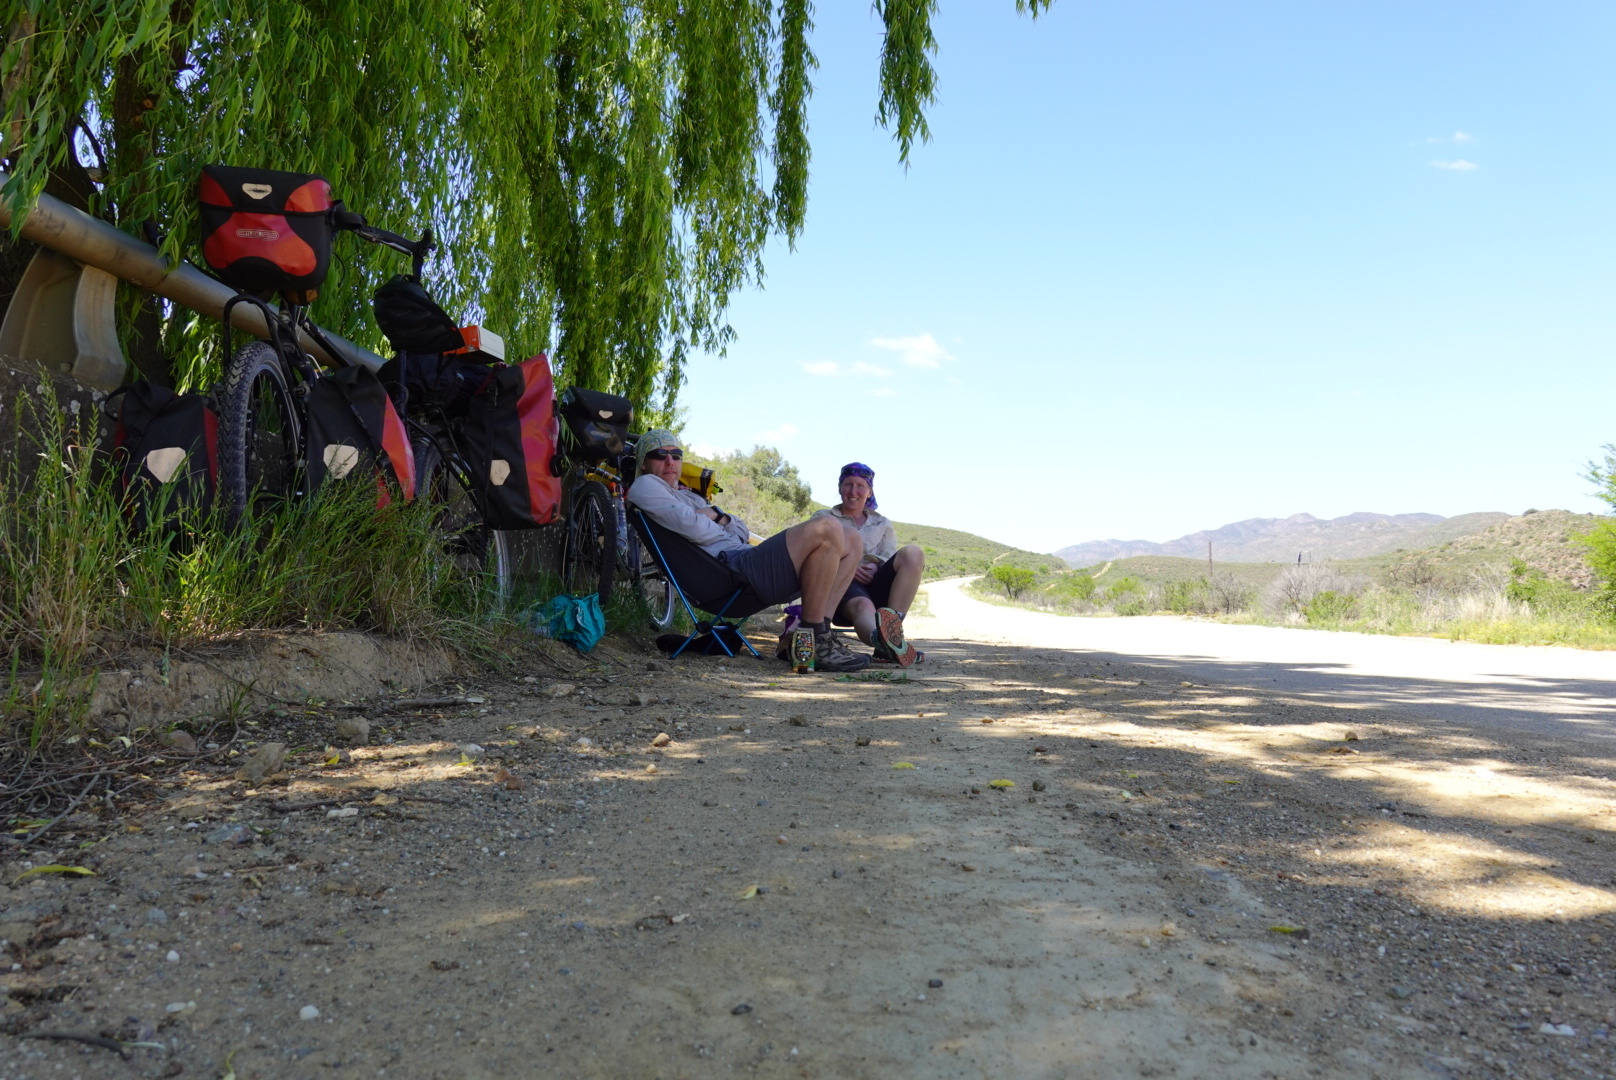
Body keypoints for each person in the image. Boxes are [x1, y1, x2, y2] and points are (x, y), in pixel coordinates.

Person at [627, 430, 870, 672]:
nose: (670, 461)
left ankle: (818, 637)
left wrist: (715, 515)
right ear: (644, 463)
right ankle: (815, 636)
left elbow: (740, 531)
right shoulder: (646, 485)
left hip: (742, 564)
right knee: (827, 527)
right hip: (729, 574)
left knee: (852, 538)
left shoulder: (688, 497)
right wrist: (717, 521)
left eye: (676, 455)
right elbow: (696, 529)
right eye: (660, 455)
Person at [812, 462, 923, 667]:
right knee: (864, 605)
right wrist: (849, 566)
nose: (853, 491)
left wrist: (877, 566)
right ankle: (882, 644)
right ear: (840, 488)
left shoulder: (882, 523)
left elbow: (888, 555)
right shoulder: (823, 518)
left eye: (860, 486)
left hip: (875, 581)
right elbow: (814, 555)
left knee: (913, 554)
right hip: (839, 585)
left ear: (869, 491)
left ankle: (892, 634)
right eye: (848, 484)